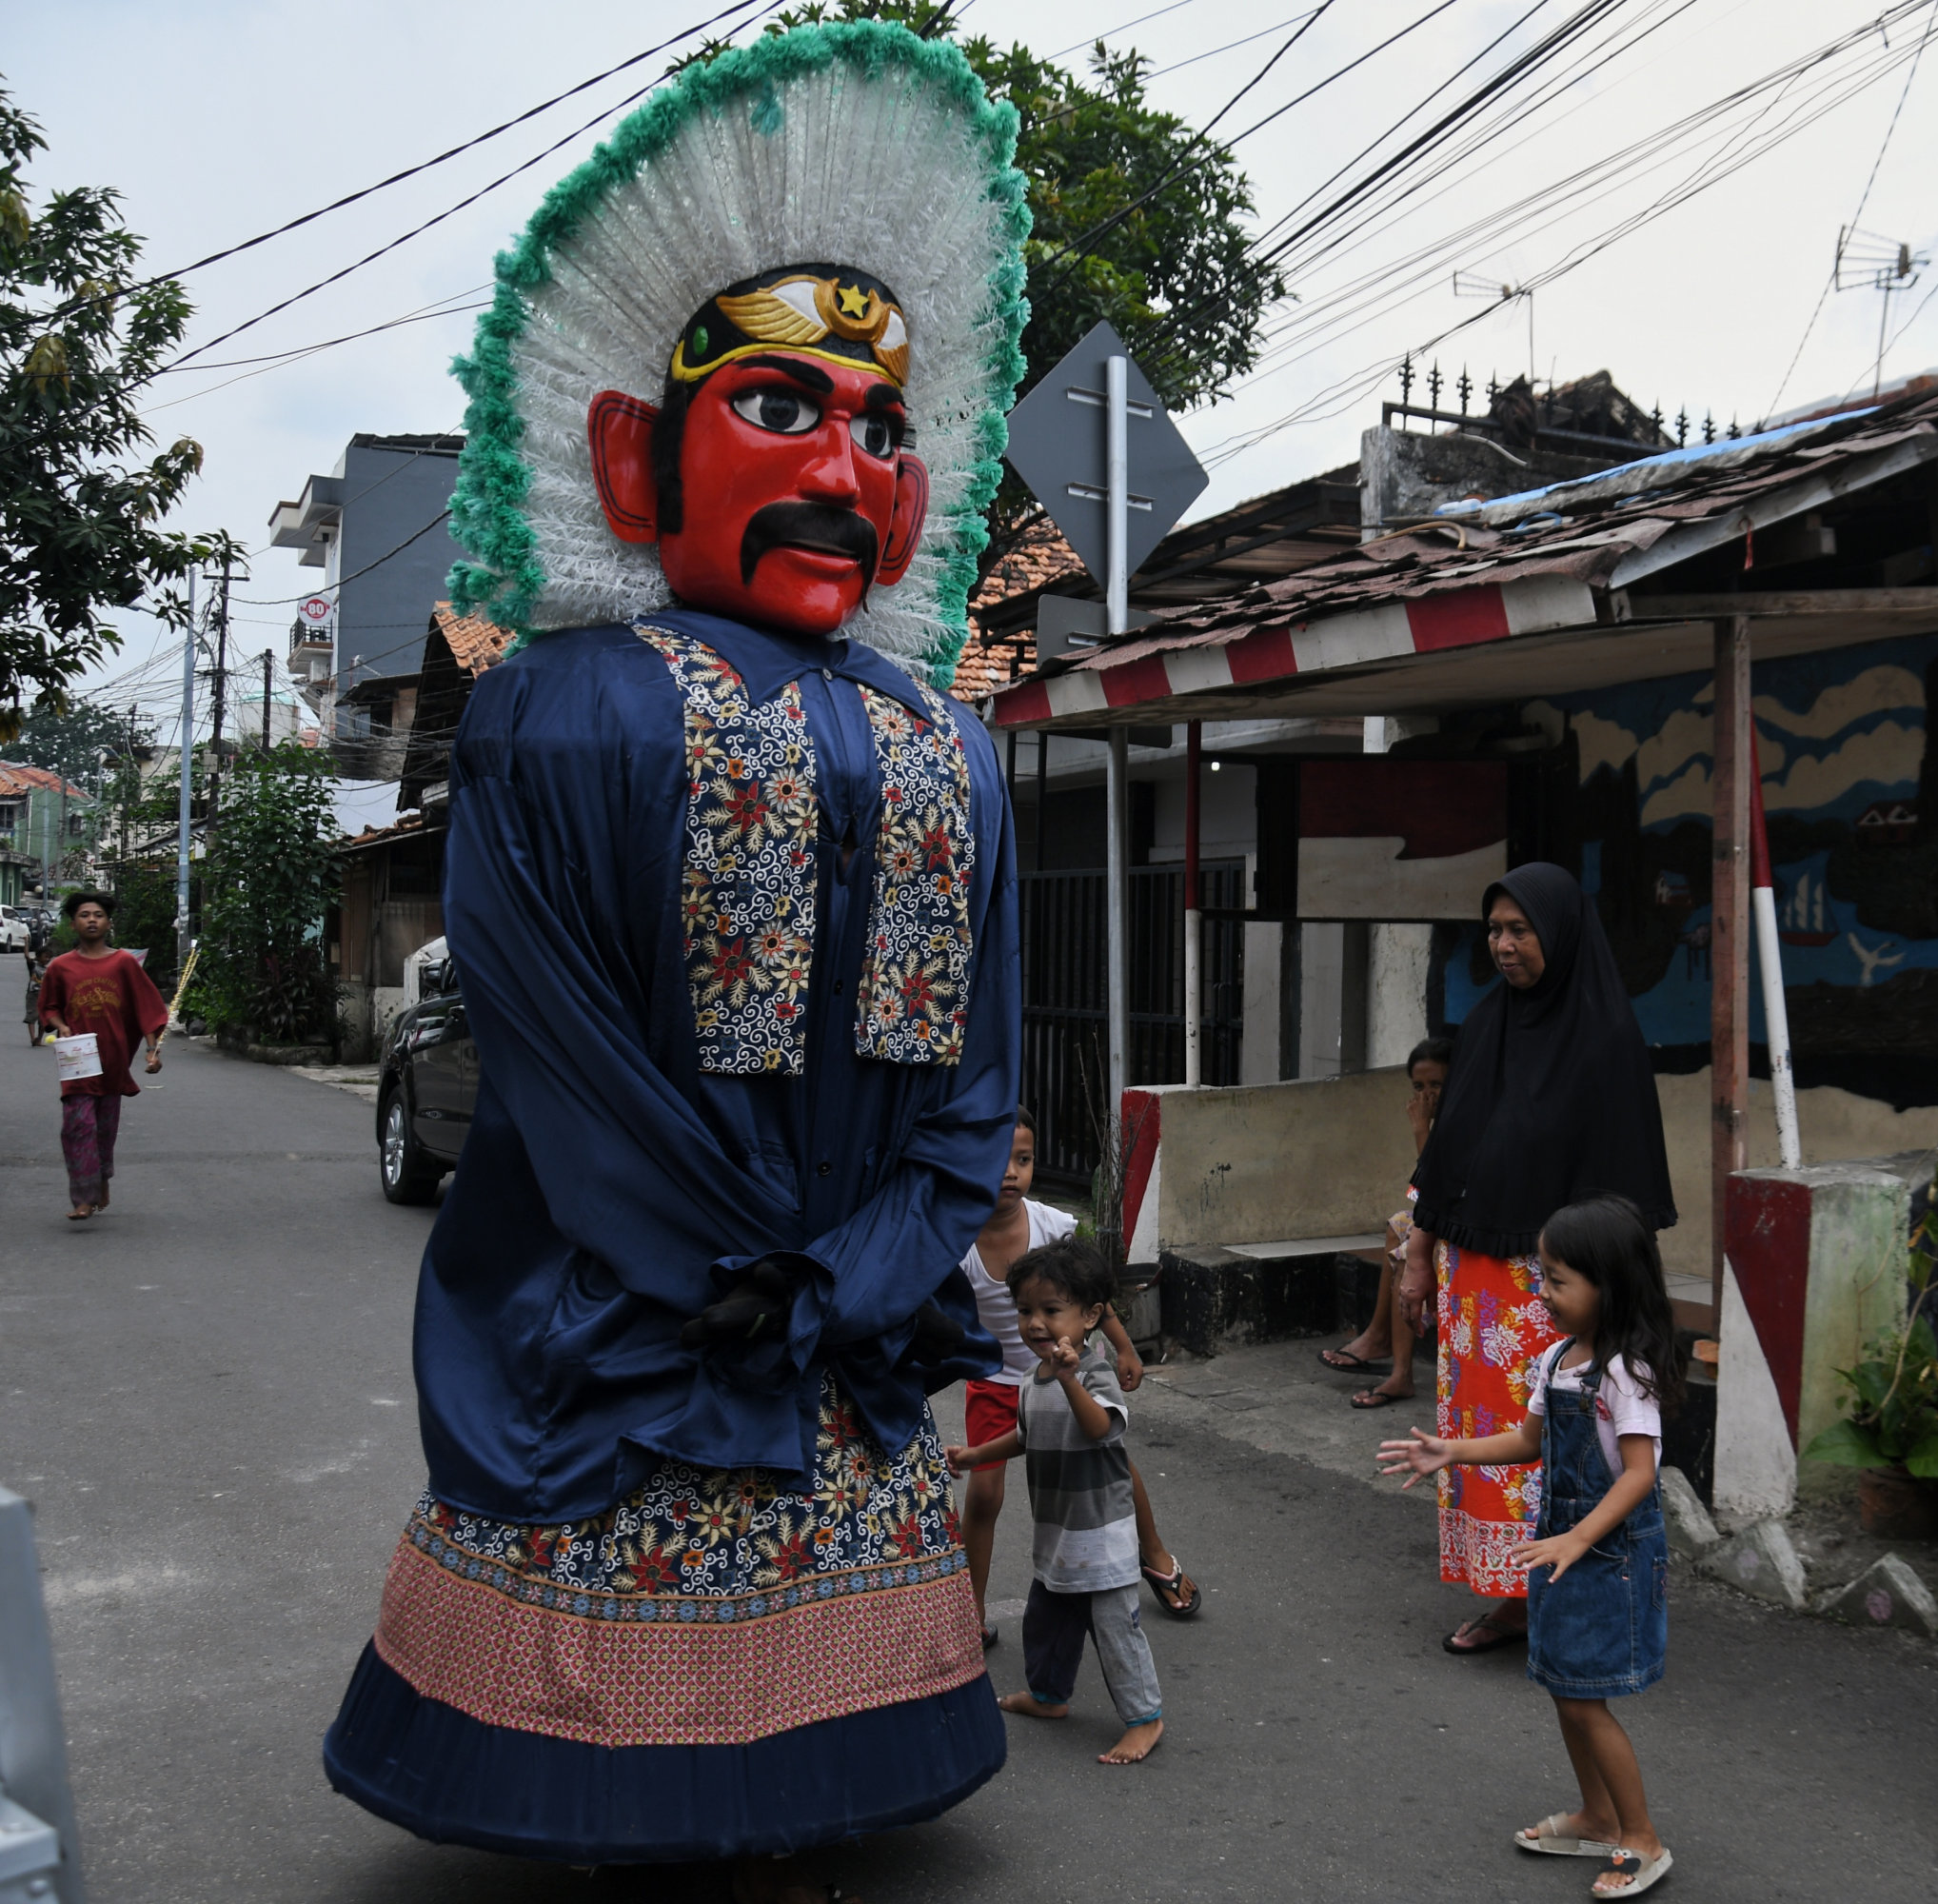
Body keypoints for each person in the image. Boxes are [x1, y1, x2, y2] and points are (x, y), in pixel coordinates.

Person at [319, 30, 1032, 1896]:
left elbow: (972, 1073)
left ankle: (799, 1786)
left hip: (838, 1303)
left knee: (811, 1646)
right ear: (635, 455)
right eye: (782, 408)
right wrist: (726, 1268)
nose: (846, 465)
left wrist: (860, 1265)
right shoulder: (556, 709)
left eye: (882, 428)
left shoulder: (951, 739)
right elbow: (552, 1041)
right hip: (649, 1295)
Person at [1399, 864, 1676, 1658]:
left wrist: (1617, 1303)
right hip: (1471, 1281)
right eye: (1495, 930)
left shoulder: (1607, 1039)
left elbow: (1625, 1193)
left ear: (1558, 932)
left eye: (1521, 929)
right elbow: (1446, 1154)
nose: (1504, 944)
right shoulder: (1486, 1025)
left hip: (1547, 1289)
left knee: (1554, 1436)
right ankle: (1506, 1588)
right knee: (1484, 1434)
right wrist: (1419, 1254)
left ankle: (1547, 1588)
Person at [1379, 1196, 1680, 1898]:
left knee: (1586, 1698)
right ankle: (1598, 1816)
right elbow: (1526, 1442)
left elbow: (1640, 1474)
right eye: (1542, 1277)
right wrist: (1451, 1450)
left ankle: (1642, 1837)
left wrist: (1578, 1536)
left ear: (1611, 1284)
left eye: (1557, 1281)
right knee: (1564, 1688)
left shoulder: (1625, 1374)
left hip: (1607, 1553)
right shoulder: (1555, 1360)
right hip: (1560, 1545)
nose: (1542, 1295)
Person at [959, 1108, 1198, 1640]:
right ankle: (968, 1615)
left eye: (1022, 1160)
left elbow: (1094, 1299)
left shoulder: (1051, 1226)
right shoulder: (954, 1239)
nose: (1009, 1173)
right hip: (995, 1384)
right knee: (983, 1495)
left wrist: (1124, 1348)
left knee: (1112, 1465)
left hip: (1067, 1372)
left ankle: (1154, 1553)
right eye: (997, 1160)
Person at [952, 1238, 1165, 1767]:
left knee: (1116, 1631)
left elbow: (1099, 1430)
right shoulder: (1032, 1378)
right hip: (1057, 1530)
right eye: (1025, 1311)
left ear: (1091, 1316)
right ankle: (1049, 1697)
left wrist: (1071, 1379)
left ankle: (1145, 1718)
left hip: (1103, 1531)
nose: (1035, 1324)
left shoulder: (1092, 1373)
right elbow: (1025, 1435)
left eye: (1051, 1310)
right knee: (1047, 1623)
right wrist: (978, 1451)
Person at [1320, 1034, 1452, 1407]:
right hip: (1443, 1216)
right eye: (1419, 1087)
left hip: (1468, 1225)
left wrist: (1420, 1130)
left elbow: (1433, 1188)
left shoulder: (1459, 1120)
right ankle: (1381, 1340)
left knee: (1408, 1250)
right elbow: (1418, 1195)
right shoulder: (1441, 1119)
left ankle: (1395, 1367)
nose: (1427, 1095)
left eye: (1437, 1084)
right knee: (1398, 1226)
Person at [35, 891, 167, 1221]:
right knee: (77, 1127)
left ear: (109, 923)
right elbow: (48, 1007)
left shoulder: (124, 963)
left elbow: (144, 1008)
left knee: (104, 1130)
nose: (91, 920)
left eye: (98, 915)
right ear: (73, 923)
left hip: (113, 1061)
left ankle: (101, 1178)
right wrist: (60, 1025)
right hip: (78, 1061)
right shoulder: (60, 967)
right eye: (84, 915)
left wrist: (152, 1050)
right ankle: (83, 1197)